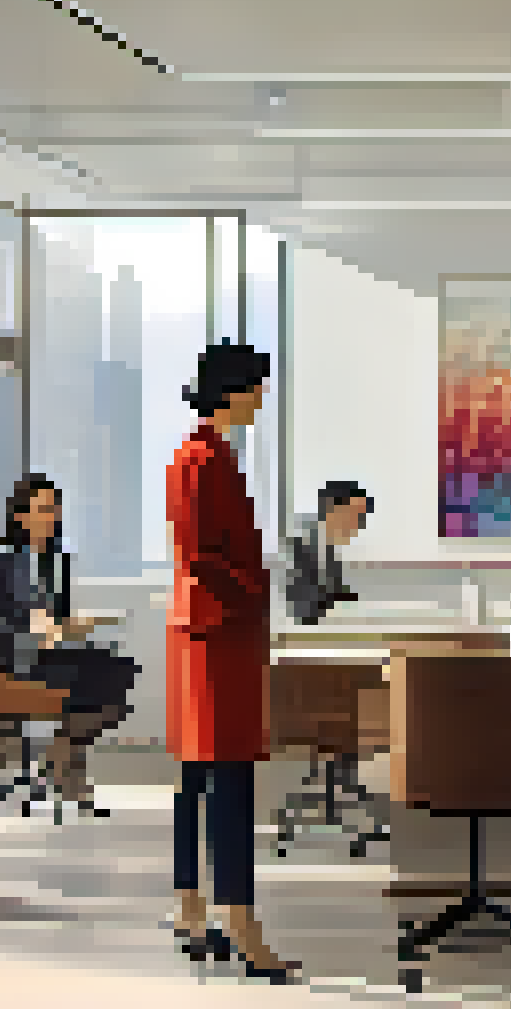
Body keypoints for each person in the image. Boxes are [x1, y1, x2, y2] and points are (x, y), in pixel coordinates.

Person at [164, 340, 297, 982]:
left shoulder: (210, 456)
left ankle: (193, 910)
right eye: (257, 387)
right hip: (218, 633)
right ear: (233, 389)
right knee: (229, 779)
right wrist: (259, 588)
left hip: (212, 631)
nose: (262, 398)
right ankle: (242, 925)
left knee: (200, 777)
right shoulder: (202, 460)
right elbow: (201, 554)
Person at [0, 474, 138, 814]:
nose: (51, 516)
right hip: (16, 659)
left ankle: (59, 755)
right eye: (43, 509)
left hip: (51, 653)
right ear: (20, 516)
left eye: (54, 508)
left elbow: (59, 619)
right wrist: (43, 628)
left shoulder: (57, 562)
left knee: (120, 670)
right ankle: (63, 767)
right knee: (104, 676)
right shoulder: (2, 563)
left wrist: (77, 624)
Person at [286, 481, 370, 626]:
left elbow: (336, 595)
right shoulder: (299, 548)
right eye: (353, 514)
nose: (358, 524)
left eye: (361, 517)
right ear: (331, 510)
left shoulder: (327, 550)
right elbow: (302, 613)